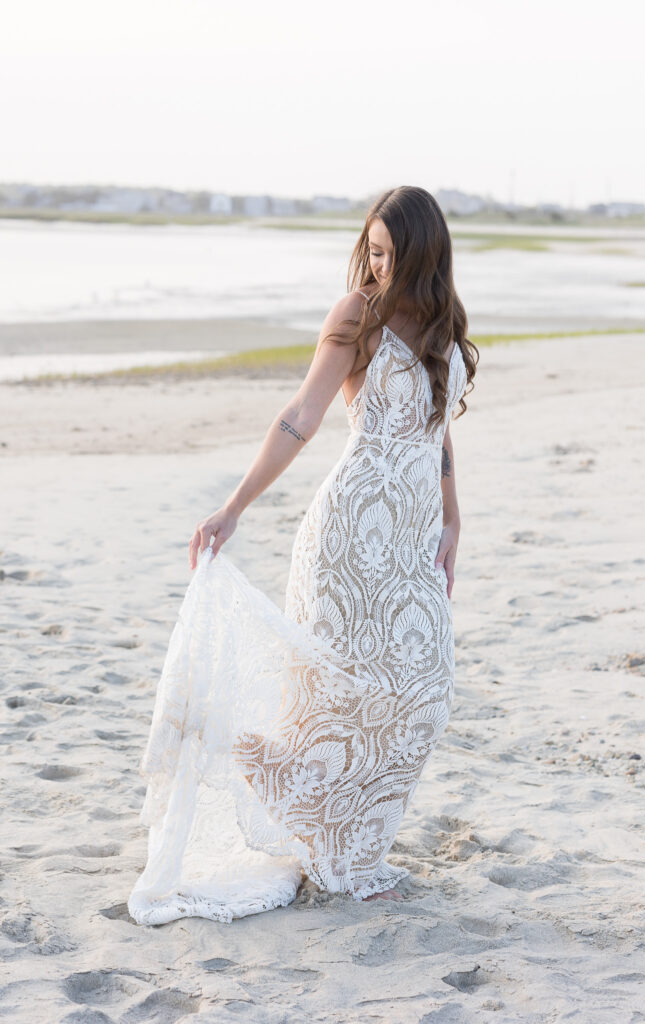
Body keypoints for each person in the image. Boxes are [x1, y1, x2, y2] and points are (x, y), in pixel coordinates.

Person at [128, 185, 479, 926]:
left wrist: (452, 518)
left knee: (423, 688)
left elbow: (436, 430)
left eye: (390, 254)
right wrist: (233, 506)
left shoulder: (443, 323)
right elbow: (300, 416)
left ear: (424, 254)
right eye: (371, 251)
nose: (375, 266)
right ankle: (341, 855)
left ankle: (311, 809)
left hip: (411, 542)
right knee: (333, 698)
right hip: (347, 536)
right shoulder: (357, 313)